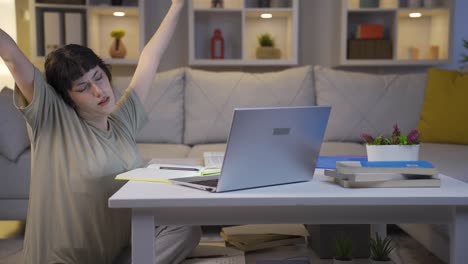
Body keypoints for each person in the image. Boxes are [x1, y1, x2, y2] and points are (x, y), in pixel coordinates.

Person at [0, 0, 201, 263]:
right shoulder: (53, 119)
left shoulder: (122, 120)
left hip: (113, 254)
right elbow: (10, 54)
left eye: (98, 77)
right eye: (82, 88)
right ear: (67, 98)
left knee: (185, 230)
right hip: (61, 260)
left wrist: (177, 5)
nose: (99, 91)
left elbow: (151, 56)